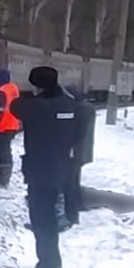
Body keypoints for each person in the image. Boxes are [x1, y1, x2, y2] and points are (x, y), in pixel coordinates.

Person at [9, 66, 79, 268]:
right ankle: (53, 260)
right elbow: (80, 131)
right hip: (64, 168)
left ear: (36, 85)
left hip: (40, 170)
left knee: (42, 218)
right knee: (50, 215)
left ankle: (47, 264)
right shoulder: (71, 106)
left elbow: (15, 107)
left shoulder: (34, 107)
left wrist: (32, 96)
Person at [58, 85, 97, 227]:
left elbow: (75, 133)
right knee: (73, 182)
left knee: (69, 185)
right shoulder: (86, 107)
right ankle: (74, 211)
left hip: (74, 153)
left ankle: (70, 216)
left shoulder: (80, 109)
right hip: (81, 152)